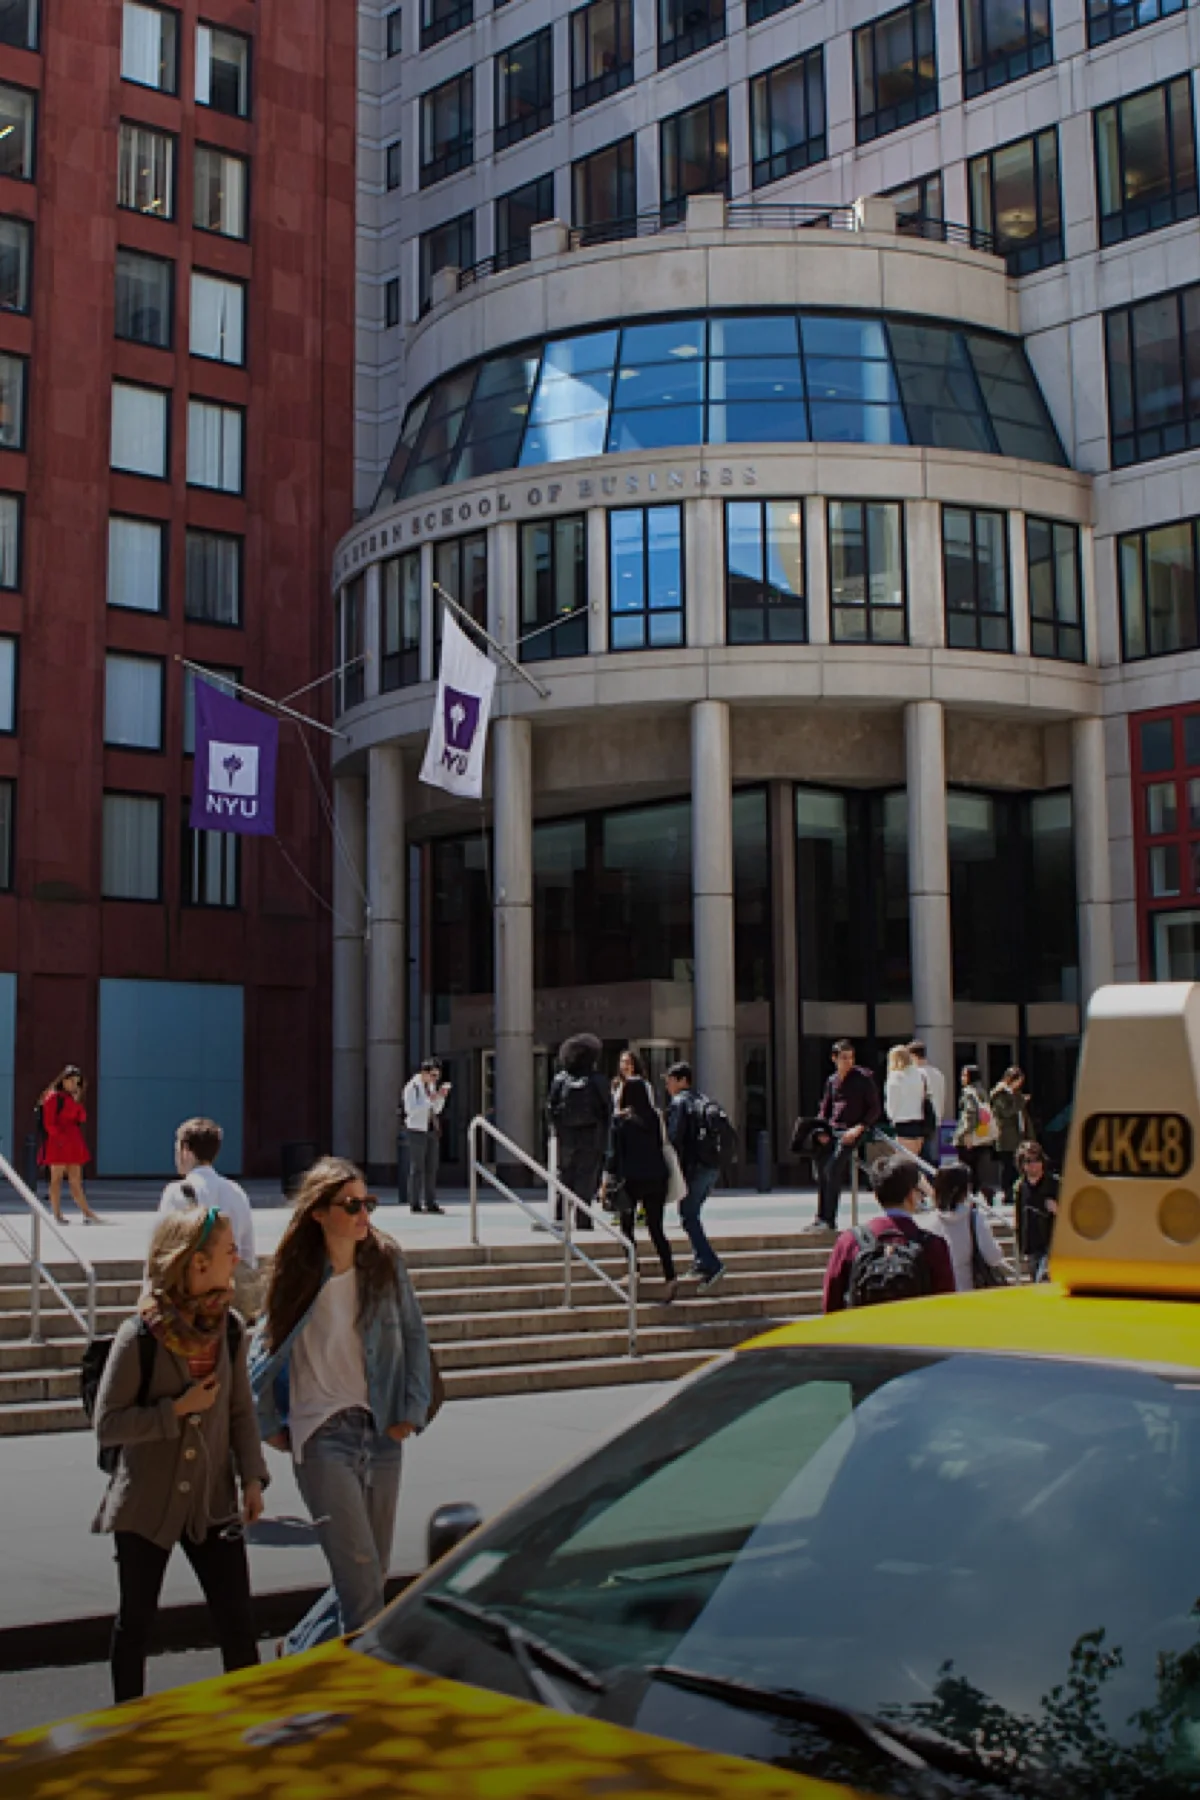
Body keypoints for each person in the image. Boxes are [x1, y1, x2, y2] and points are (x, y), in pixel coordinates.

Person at [249, 1157, 432, 1655]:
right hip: (321, 1433)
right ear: (318, 1212)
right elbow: (260, 1352)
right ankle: (365, 1696)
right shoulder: (298, 1274)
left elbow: (415, 1335)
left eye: (367, 1204)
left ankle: (300, 1651)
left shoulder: (385, 1261)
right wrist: (268, 1425)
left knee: (368, 1575)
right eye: (351, 1205)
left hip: (381, 1427)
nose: (362, 1215)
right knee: (363, 1589)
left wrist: (411, 1413)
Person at [92, 1206, 266, 1704]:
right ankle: (125, 1727)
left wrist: (252, 1478)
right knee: (137, 1623)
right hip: (146, 1505)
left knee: (237, 1622)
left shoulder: (229, 1328)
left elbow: (239, 1411)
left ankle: (249, 1724)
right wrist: (177, 1409)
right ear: (196, 1263)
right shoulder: (140, 1336)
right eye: (228, 1249)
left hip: (212, 1502)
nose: (238, 1257)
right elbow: (107, 1425)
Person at [823, 1155, 955, 1313]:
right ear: (911, 1195)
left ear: (876, 1195)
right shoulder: (933, 1245)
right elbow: (945, 1306)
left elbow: (831, 1303)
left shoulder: (850, 1241)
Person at [160, 1117, 261, 1318]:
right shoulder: (236, 1191)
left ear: (186, 1150)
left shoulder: (176, 1192)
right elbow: (248, 1252)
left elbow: (161, 1248)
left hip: (190, 1297)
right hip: (229, 1296)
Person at [605, 1078, 677, 1301]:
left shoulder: (621, 1120)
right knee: (656, 1229)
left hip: (631, 1179)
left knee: (627, 1226)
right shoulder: (655, 1117)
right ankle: (670, 1276)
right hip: (657, 1177)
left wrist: (607, 1180)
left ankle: (634, 1268)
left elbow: (614, 1154)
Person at [807, 1040, 882, 1233]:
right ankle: (821, 1217)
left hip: (852, 1130)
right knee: (822, 1169)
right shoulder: (832, 1081)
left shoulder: (864, 1078)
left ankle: (829, 1219)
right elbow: (825, 1108)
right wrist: (821, 1129)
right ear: (834, 1059)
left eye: (850, 1058)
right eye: (843, 1058)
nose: (848, 1062)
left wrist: (860, 1128)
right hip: (832, 1129)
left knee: (833, 1168)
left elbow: (874, 1109)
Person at [665, 1061, 725, 1292]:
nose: (668, 1086)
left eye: (671, 1080)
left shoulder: (680, 1102)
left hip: (696, 1167)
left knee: (688, 1215)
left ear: (682, 1081)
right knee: (691, 1213)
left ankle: (710, 1262)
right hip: (711, 1166)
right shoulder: (703, 1098)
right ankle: (701, 1261)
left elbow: (674, 1138)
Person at [545, 1033, 610, 1232]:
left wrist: (557, 1130)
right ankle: (583, 1220)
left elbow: (550, 1108)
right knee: (586, 1177)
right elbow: (607, 1109)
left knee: (565, 1175)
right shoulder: (598, 1079)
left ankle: (560, 1216)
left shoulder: (560, 1079)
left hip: (566, 1136)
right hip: (591, 1136)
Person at [919, 1162, 1010, 1292]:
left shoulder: (927, 1223)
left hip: (939, 1297)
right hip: (970, 1294)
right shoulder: (975, 1218)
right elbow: (993, 1257)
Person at [38, 1065, 101, 1224]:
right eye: (71, 1081)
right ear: (63, 1080)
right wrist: (59, 1139)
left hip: (73, 1142)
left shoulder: (71, 1098)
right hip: (58, 1142)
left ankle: (86, 1212)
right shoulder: (53, 1097)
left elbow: (82, 1117)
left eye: (77, 1082)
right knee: (56, 1179)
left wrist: (77, 1101)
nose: (74, 1085)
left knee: (75, 1180)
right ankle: (57, 1213)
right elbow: (49, 1124)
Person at [402, 1059, 450, 1215]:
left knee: (431, 1167)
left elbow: (436, 1110)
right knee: (417, 1167)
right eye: (433, 1075)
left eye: (437, 1076)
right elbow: (411, 1110)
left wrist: (441, 1097)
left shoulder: (430, 1086)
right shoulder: (412, 1087)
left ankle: (431, 1202)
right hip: (416, 1129)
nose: (435, 1079)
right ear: (424, 1073)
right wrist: (430, 1100)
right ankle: (414, 1202)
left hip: (431, 1129)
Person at [1014, 1141, 1058, 1282]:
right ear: (1022, 1164)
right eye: (1029, 1161)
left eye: (1037, 1160)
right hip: (1032, 1245)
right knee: (1036, 1280)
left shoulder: (1054, 1184)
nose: (1034, 1164)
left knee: (1043, 1278)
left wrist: (1058, 1209)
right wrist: (1021, 1245)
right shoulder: (1021, 1187)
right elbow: (1019, 1218)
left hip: (1052, 1244)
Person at [954, 1064, 998, 1203]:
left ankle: (970, 1194)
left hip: (971, 1137)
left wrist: (966, 1133)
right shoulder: (982, 1091)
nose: (961, 1078)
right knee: (976, 1167)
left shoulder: (968, 1092)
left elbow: (970, 1113)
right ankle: (983, 1191)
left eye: (964, 1075)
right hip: (982, 1136)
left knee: (966, 1168)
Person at [990, 1068, 1032, 1208]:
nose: (1019, 1085)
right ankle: (1007, 1193)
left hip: (1017, 1136)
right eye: (1018, 1081)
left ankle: (1014, 1192)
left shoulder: (1016, 1095)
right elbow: (1006, 1112)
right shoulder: (1000, 1095)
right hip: (1006, 1137)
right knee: (1007, 1166)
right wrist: (1020, 1102)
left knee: (1016, 1165)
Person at [884, 1044, 927, 1160]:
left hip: (902, 1122)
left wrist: (891, 1117)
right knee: (915, 1162)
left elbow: (892, 1104)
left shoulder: (895, 1077)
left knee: (904, 1162)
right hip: (919, 1122)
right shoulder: (919, 1075)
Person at [908, 1040, 946, 1168]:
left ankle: (927, 1183)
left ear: (913, 1056)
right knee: (928, 1152)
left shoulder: (916, 1074)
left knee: (920, 1156)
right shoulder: (938, 1073)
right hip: (935, 1119)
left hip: (920, 1119)